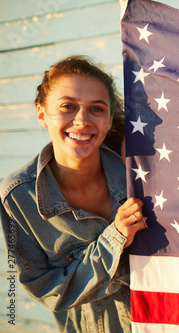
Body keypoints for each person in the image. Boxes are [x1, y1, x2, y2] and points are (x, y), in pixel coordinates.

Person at [0, 55, 146, 332]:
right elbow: (49, 290)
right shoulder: (18, 197)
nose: (82, 120)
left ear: (107, 119)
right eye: (68, 106)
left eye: (96, 109)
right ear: (42, 113)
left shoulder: (137, 167)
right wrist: (114, 238)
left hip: (169, 319)